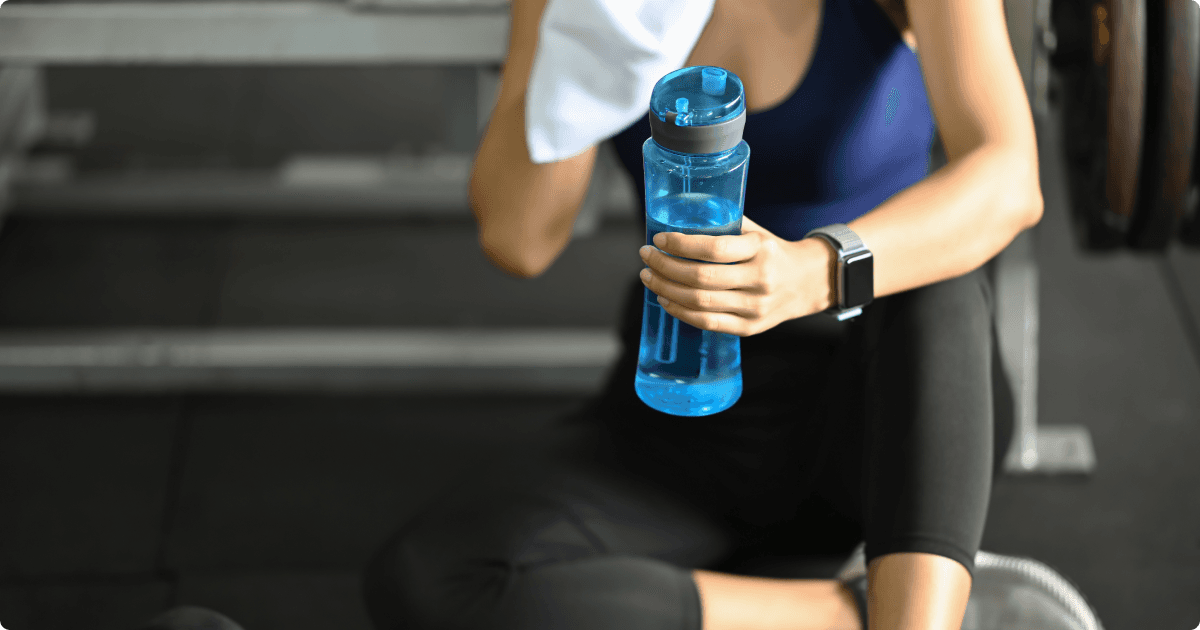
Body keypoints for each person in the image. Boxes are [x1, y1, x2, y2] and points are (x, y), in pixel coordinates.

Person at [364, 0, 1042, 627]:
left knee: (936, 285)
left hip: (890, 404)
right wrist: (591, 39)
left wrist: (814, 271)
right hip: (688, 401)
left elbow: (1009, 174)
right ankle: (855, 612)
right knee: (435, 578)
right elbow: (520, 237)